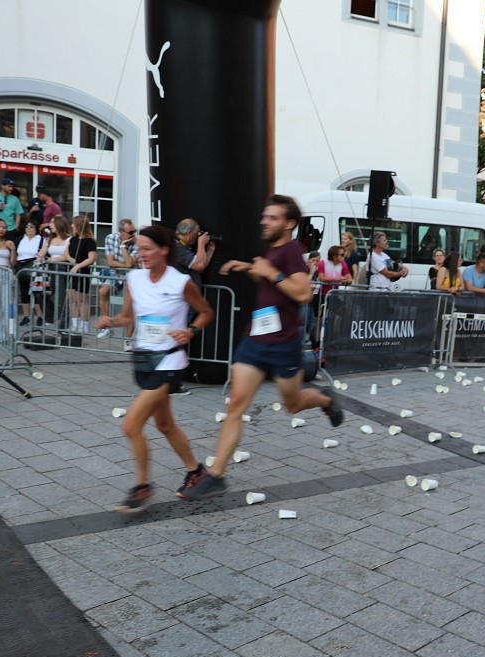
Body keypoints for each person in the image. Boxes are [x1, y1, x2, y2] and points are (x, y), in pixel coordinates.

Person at [182, 195, 344, 499]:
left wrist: (271, 273)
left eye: (272, 218)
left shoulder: (293, 252)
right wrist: (247, 266)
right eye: (264, 216)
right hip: (256, 339)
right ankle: (217, 475)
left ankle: (324, 399)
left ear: (289, 224)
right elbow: (271, 280)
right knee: (235, 406)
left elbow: (303, 293)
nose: (263, 221)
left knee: (292, 404)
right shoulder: (273, 250)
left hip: (283, 344)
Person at [96, 225, 214, 513]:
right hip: (143, 359)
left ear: (164, 250)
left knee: (131, 425)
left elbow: (206, 312)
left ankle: (142, 485)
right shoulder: (134, 278)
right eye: (139, 248)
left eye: (147, 248)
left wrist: (190, 331)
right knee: (164, 425)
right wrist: (112, 322)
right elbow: (128, 317)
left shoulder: (180, 281)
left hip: (169, 361)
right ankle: (196, 471)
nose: (141, 254)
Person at [98, 219, 138, 345]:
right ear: (121, 232)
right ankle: (107, 326)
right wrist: (126, 265)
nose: (133, 234)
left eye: (134, 231)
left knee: (129, 305)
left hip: (132, 276)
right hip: (116, 274)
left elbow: (130, 262)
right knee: (103, 291)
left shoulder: (136, 242)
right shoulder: (110, 238)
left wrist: (123, 246)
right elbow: (110, 262)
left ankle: (127, 339)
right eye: (131, 232)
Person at [65, 215, 98, 333]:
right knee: (72, 299)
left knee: (82, 300)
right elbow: (66, 253)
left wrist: (78, 265)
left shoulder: (89, 241)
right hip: (72, 271)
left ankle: (84, 325)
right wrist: (72, 261)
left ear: (79, 226)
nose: (72, 226)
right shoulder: (73, 239)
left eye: (74, 224)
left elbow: (92, 258)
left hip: (83, 272)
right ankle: (74, 324)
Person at [15, 221, 45, 327]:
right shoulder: (20, 239)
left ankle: (40, 316)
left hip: (34, 266)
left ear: (36, 228)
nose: (29, 228)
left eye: (32, 226)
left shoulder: (41, 240)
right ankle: (26, 316)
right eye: (27, 226)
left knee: (36, 292)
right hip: (21, 266)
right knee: (23, 292)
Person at [172, 218, 215, 287]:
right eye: (197, 233)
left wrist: (209, 252)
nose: (197, 237)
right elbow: (199, 265)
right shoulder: (177, 248)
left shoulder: (182, 246)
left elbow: (197, 270)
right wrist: (201, 243)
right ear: (189, 233)